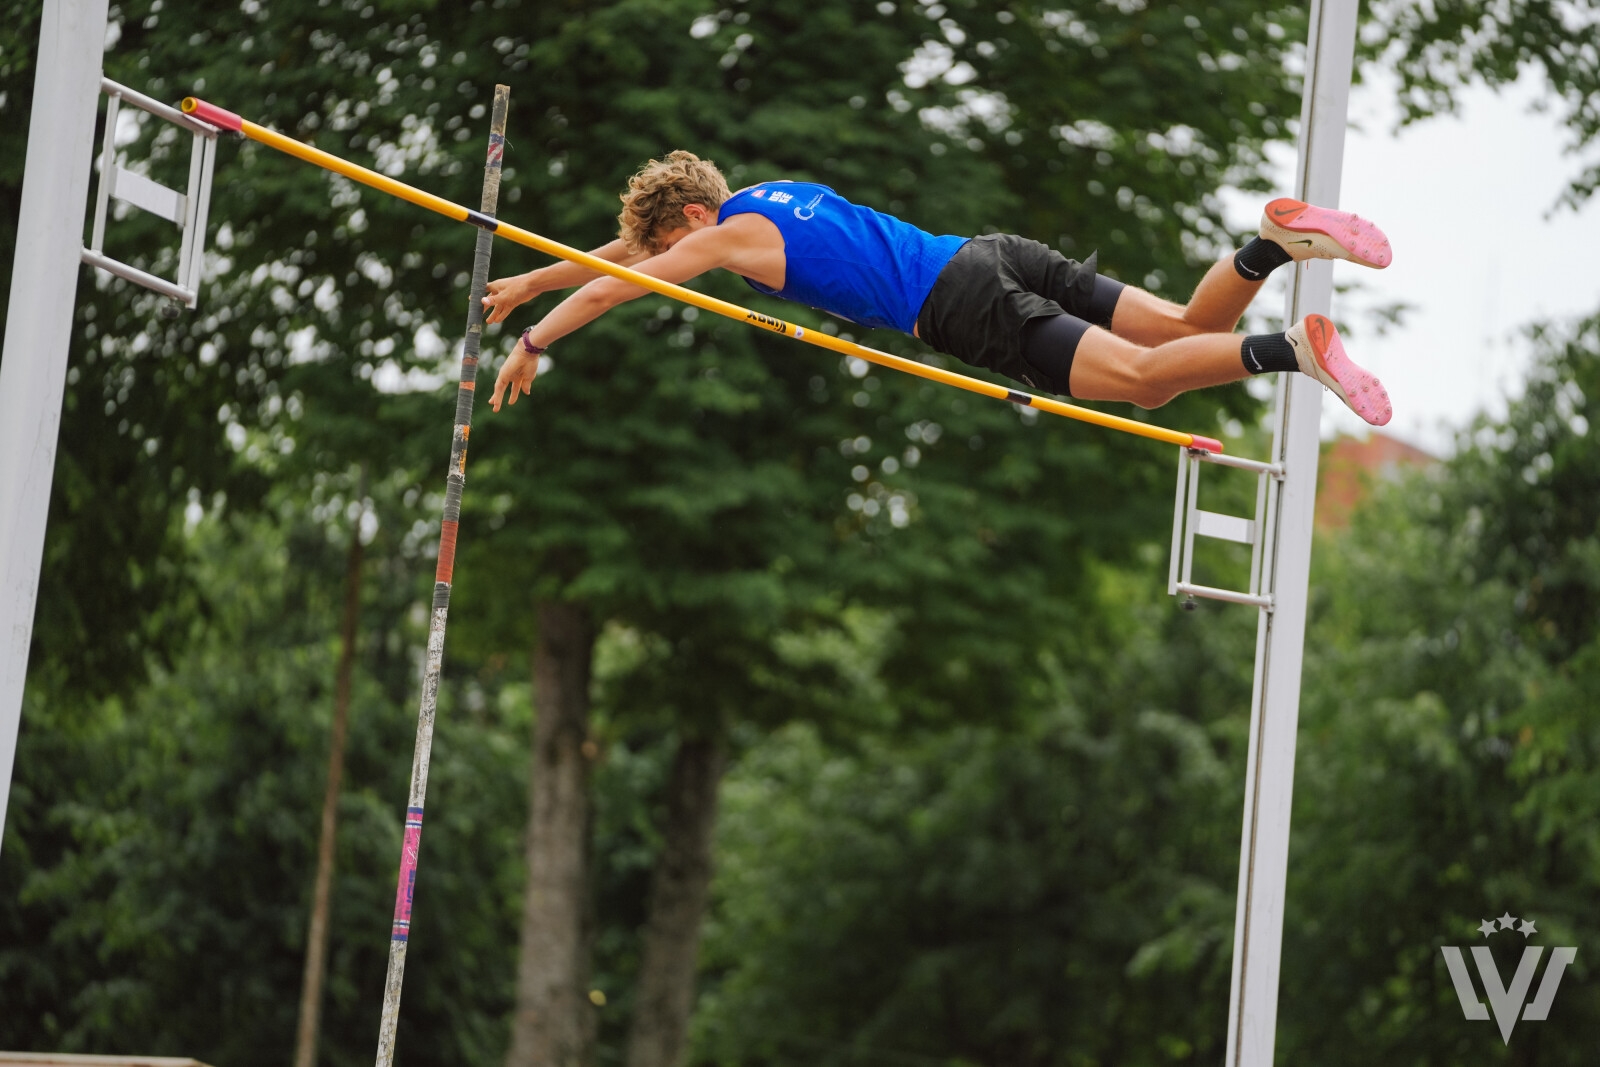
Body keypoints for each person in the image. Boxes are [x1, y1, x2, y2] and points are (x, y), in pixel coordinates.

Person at [483, 150, 1392, 426]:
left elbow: (614, 282)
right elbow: (617, 252)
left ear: (689, 221)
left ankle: (1290, 352)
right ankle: (1272, 246)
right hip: (992, 254)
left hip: (960, 306)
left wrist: (535, 342)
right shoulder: (761, 200)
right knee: (1185, 323)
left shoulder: (723, 242)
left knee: (1149, 384)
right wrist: (529, 279)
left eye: (666, 240)